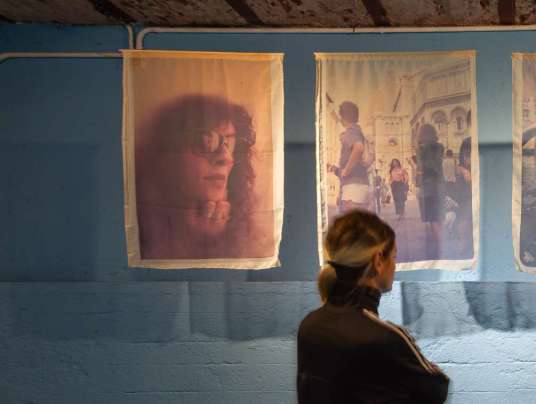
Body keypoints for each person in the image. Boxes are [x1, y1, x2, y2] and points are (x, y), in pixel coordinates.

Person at [297, 211, 449, 404]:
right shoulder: (385, 337)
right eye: (393, 257)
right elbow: (437, 389)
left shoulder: (310, 325)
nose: (394, 266)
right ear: (378, 261)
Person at [134, 94, 272, 259]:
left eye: (230, 144)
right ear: (167, 154)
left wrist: (212, 240)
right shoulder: (137, 225)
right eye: (205, 141)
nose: (226, 158)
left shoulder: (250, 233)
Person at [330, 101, 369, 214]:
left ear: (343, 117)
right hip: (361, 183)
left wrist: (346, 170)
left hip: (352, 186)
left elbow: (358, 147)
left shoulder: (350, 132)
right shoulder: (359, 132)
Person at [414, 124, 445, 259]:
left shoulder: (422, 149)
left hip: (427, 188)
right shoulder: (440, 147)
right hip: (439, 187)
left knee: (431, 221)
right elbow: (436, 166)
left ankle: (435, 252)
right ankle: (440, 249)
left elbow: (423, 168)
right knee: (438, 220)